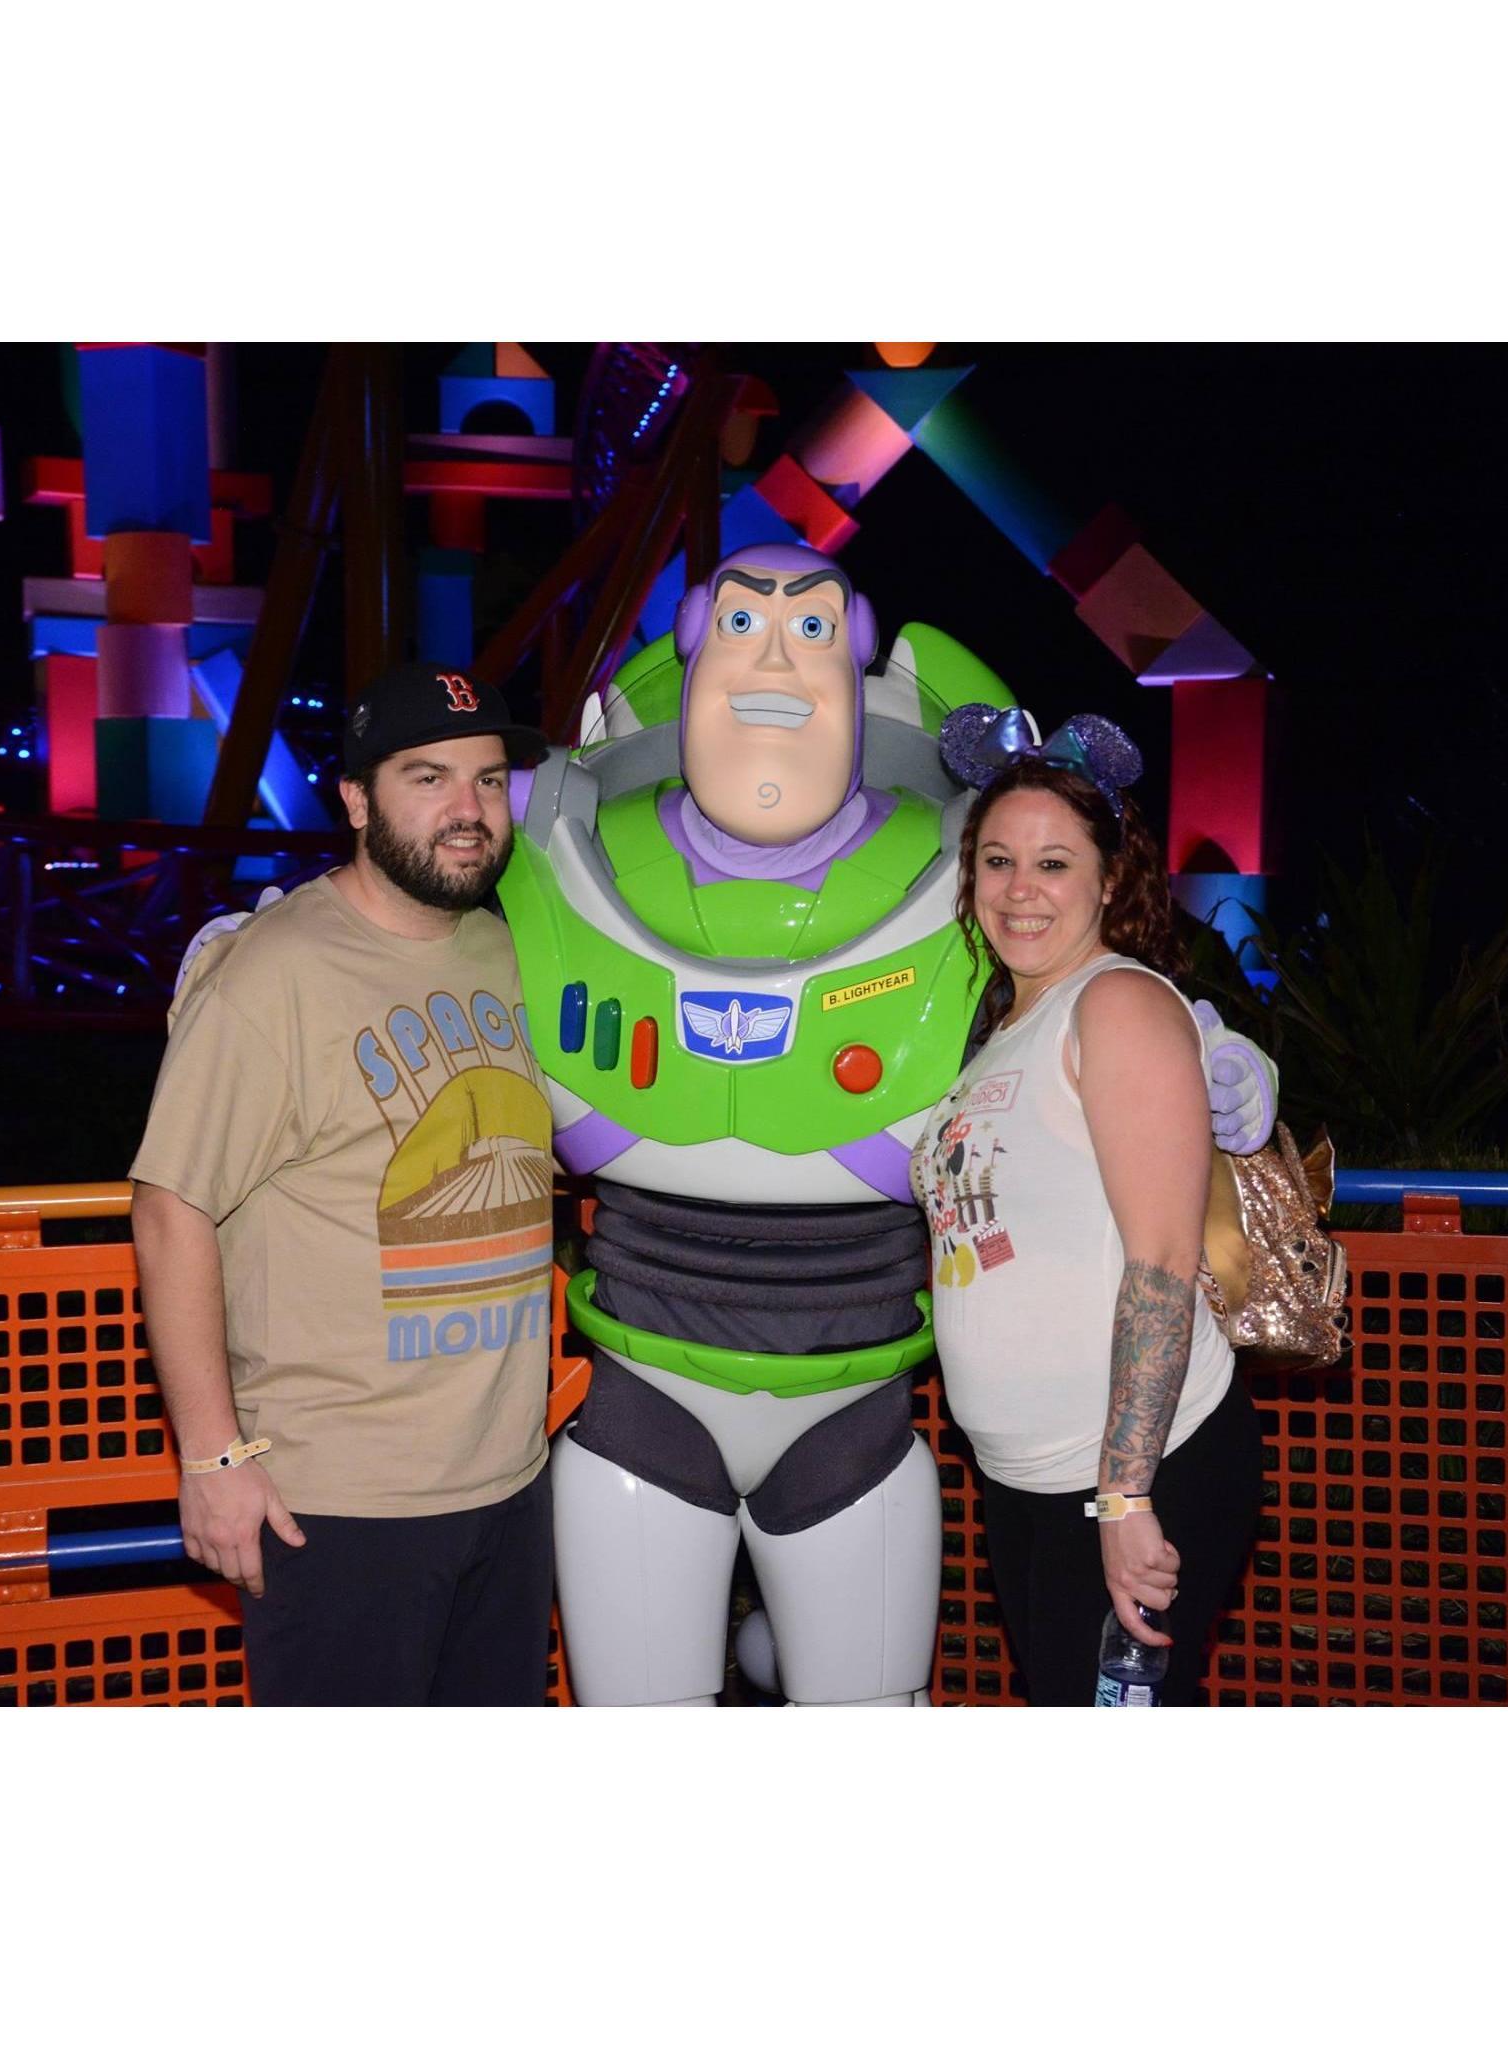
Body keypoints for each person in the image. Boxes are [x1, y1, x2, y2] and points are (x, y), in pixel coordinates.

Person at [494, 542, 1276, 1704]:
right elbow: (423, 927)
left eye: (810, 629)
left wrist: (1220, 1059)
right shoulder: (568, 863)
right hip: (653, 1399)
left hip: (886, 1423)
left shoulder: (1015, 964)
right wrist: (267, 945)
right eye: (742, 625)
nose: (773, 660)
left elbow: (1152, 1163)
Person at [130, 665, 556, 1707]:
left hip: (508, 1475)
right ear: (357, 801)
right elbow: (170, 1205)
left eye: (488, 780)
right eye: (428, 778)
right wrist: (212, 1458)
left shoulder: (510, 949)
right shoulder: (271, 971)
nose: (468, 810)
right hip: (339, 1498)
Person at [913, 706, 1267, 1705]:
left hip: (1134, 1472)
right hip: (1024, 1476)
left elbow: (1161, 1260)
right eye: (996, 860)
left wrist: (1124, 1494)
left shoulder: (1117, 1003)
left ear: (1110, 880)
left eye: (1053, 863)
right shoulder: (999, 1029)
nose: (1019, 889)